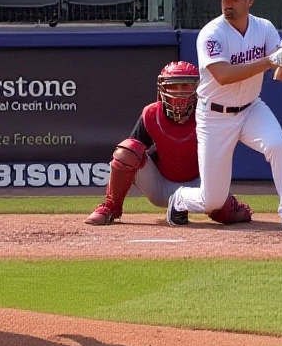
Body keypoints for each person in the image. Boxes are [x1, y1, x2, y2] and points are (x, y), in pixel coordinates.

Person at [166, 0, 282, 236]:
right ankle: (179, 198)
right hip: (214, 116)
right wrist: (271, 60)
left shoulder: (264, 28)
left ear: (250, 1)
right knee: (213, 201)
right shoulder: (212, 33)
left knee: (278, 146)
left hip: (250, 108)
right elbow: (224, 75)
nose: (227, 3)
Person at [85, 61, 254, 226]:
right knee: (128, 150)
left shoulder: (210, 114)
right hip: (161, 187)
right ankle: (111, 207)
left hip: (199, 187)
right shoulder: (151, 113)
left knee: (227, 214)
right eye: (174, 86)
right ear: (163, 88)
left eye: (185, 86)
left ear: (197, 89)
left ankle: (228, 207)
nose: (179, 92)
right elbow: (132, 154)